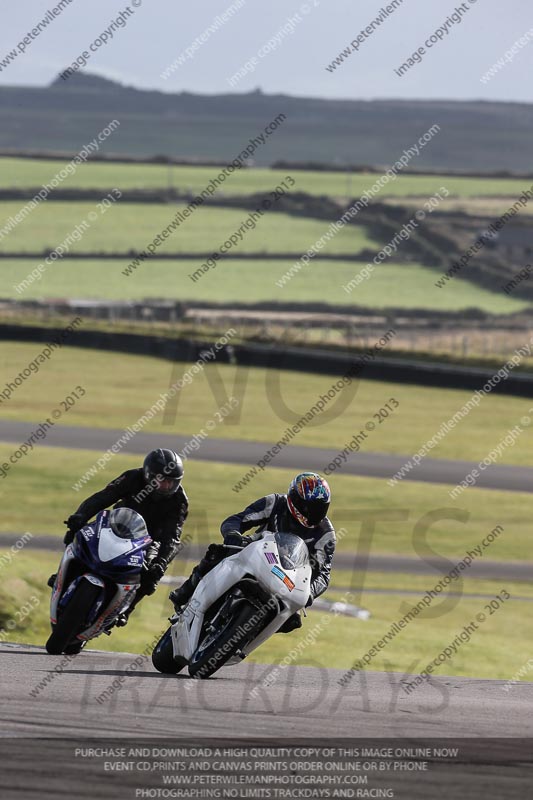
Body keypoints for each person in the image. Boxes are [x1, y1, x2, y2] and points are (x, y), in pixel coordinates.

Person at [169, 472, 335, 633]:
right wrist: (233, 534)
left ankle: (245, 637)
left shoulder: (325, 534)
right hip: (254, 552)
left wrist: (310, 593)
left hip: (286, 578)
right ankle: (186, 591)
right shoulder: (276, 503)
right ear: (295, 499)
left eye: (320, 508)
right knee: (217, 552)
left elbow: (323, 574)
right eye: (309, 507)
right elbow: (238, 519)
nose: (314, 513)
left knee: (292, 620)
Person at [50, 448, 188, 625]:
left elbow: (173, 537)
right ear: (148, 474)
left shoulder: (179, 501)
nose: (166, 487)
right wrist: (81, 516)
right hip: (115, 524)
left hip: (148, 541)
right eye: (161, 481)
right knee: (78, 534)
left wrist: (161, 562)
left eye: (171, 483)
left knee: (151, 577)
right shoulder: (132, 477)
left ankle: (126, 610)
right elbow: (103, 497)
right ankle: (62, 575)